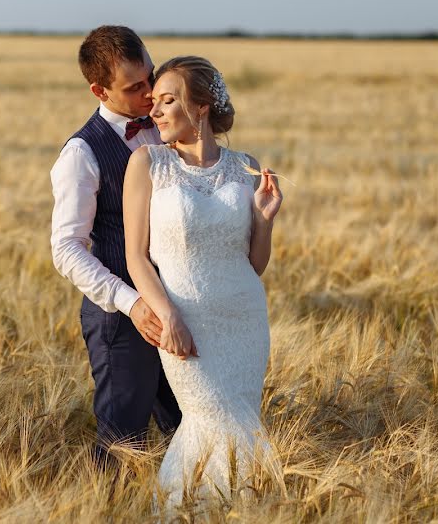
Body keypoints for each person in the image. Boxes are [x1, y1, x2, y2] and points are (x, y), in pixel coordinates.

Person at [123, 56, 283, 508]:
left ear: (201, 107)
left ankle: (251, 510)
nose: (153, 111)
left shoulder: (244, 165)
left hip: (243, 320)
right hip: (185, 320)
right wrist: (167, 315)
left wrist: (265, 220)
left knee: (241, 420)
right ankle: (183, 511)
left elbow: (254, 263)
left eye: (167, 100)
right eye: (152, 102)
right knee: (206, 415)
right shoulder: (147, 163)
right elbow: (137, 258)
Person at [50, 25, 182, 466]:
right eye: (134, 87)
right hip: (122, 320)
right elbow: (66, 249)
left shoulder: (166, 127)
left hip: (180, 305)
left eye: (150, 76)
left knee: (188, 426)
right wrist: (132, 303)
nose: (150, 95)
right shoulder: (82, 153)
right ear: (99, 90)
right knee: (123, 444)